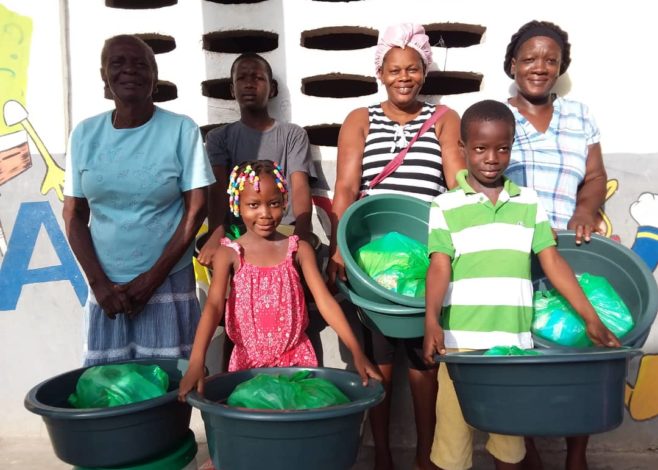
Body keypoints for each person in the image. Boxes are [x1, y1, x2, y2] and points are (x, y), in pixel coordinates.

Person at [422, 99, 621, 470]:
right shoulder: (445, 205)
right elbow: (439, 267)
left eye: (502, 147)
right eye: (480, 148)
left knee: (511, 449)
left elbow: (553, 262)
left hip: (513, 351)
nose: (492, 157)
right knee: (452, 448)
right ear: (463, 150)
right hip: (459, 347)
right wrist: (431, 319)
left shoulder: (528, 202)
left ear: (512, 147)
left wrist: (590, 317)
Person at [327, 23, 463, 470]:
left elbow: (457, 183)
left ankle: (425, 456)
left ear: (424, 72)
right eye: (394, 69)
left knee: (425, 362)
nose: (403, 77)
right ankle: (382, 455)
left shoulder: (444, 119)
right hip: (372, 257)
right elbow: (345, 188)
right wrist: (338, 248)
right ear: (380, 73)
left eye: (412, 69)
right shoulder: (360, 119)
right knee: (380, 359)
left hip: (425, 256)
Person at [63, 35, 215, 366]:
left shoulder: (181, 130)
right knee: (108, 391)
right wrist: (99, 284)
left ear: (154, 77)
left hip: (167, 282)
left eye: (140, 64)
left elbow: (197, 207)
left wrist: (152, 278)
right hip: (107, 290)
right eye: (117, 63)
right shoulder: (84, 135)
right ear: (104, 75)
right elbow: (74, 215)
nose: (129, 70)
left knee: (171, 387)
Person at [178, 160, 381, 399]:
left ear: (285, 202)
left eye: (273, 204)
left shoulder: (298, 250)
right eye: (253, 205)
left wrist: (357, 352)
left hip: (296, 364)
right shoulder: (229, 253)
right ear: (237, 205)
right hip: (248, 369)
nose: (265, 214)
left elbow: (325, 301)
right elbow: (213, 307)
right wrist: (196, 362)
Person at [503, 20, 608, 469]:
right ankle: (524, 452)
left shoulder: (580, 115)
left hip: (569, 248)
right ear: (512, 65)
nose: (539, 67)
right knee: (524, 349)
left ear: (562, 65)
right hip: (514, 252)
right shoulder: (495, 116)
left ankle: (576, 453)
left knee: (579, 347)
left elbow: (597, 175)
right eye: (529, 59)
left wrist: (586, 209)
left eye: (550, 59)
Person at [198, 53, 315, 266]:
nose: (250, 84)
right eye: (242, 79)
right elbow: (217, 191)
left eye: (258, 78)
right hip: (238, 233)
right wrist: (216, 234)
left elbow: (299, 187)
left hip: (283, 230)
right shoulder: (218, 138)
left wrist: (302, 235)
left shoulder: (293, 135)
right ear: (232, 90)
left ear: (273, 89)